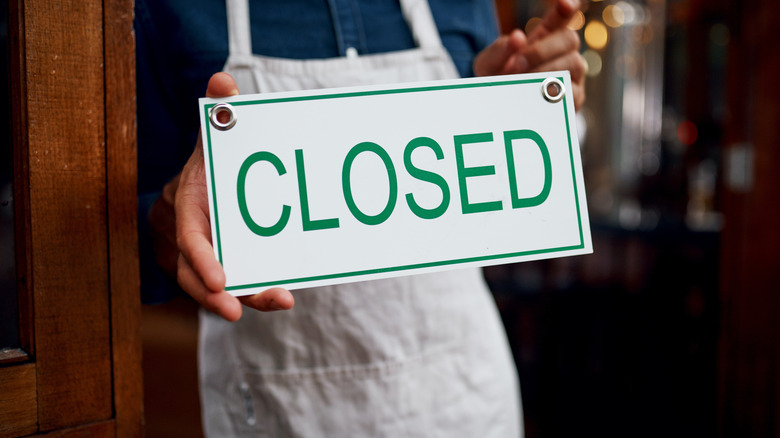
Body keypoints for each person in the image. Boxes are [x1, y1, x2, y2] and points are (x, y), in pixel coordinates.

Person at [136, 0, 585, 435]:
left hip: (464, 398)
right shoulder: (168, 7)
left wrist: (512, 98)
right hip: (280, 410)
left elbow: (476, 195)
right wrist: (168, 220)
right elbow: (131, 236)